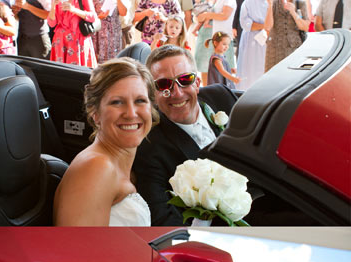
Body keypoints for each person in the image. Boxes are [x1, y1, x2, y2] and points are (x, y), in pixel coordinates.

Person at [132, 45, 239, 225]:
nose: (177, 93)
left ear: (197, 83)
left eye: (185, 79)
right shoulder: (149, 149)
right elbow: (164, 220)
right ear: (152, 93)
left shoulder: (222, 97)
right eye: (164, 84)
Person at [54, 57, 158, 226]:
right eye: (117, 102)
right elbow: (75, 250)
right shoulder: (96, 168)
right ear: (95, 113)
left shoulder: (115, 163)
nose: (131, 113)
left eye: (140, 101)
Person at [194, 0, 238, 84]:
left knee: (223, 70)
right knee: (205, 69)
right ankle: (207, 92)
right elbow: (198, 17)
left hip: (222, 37)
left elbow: (224, 16)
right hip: (208, 36)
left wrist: (206, 15)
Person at [264, 0, 312, 71]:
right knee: (273, 78)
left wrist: (293, 12)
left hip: (294, 49)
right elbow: (267, 27)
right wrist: (270, 6)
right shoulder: (273, 3)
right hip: (274, 50)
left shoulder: (300, 3)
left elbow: (305, 27)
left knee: (293, 76)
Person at [48, 0, 99, 67]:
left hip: (78, 41)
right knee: (60, 73)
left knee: (79, 73)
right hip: (60, 42)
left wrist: (73, 9)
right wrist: (53, 7)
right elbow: (52, 24)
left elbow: (93, 17)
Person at [237, 0, 269, 90]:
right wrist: (266, 26)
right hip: (250, 41)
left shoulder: (271, 3)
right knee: (249, 69)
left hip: (266, 39)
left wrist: (266, 27)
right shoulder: (247, 3)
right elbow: (245, 24)